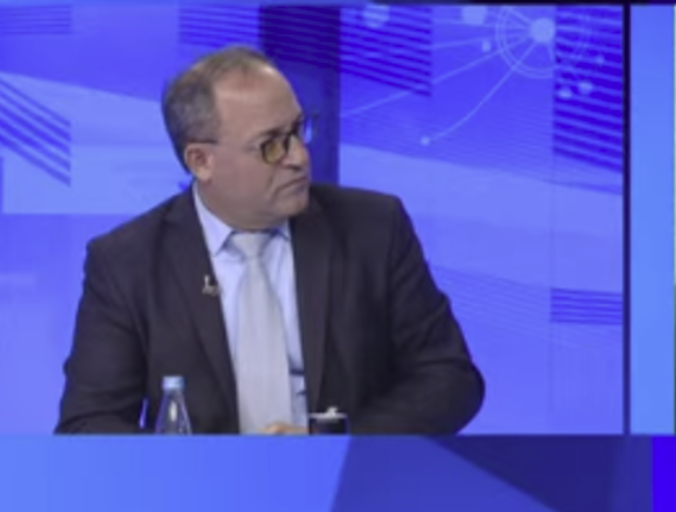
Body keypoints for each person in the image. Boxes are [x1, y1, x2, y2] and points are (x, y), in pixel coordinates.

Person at [57, 46, 483, 434]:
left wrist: (334, 445)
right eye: (271, 145)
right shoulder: (127, 262)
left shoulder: (373, 228)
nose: (299, 156)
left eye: (299, 130)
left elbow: (450, 378)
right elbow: (88, 423)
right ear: (201, 161)